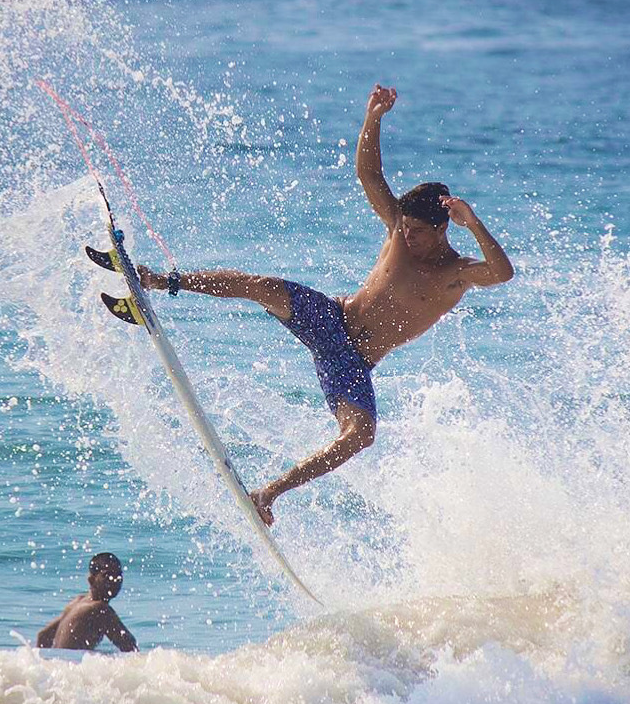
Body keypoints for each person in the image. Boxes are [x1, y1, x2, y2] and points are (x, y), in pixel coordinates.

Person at [138, 84, 514, 525]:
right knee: (260, 285)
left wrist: (473, 221)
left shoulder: (458, 272)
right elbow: (369, 176)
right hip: (331, 317)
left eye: (417, 232)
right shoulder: (397, 229)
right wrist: (373, 116)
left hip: (352, 361)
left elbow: (503, 272)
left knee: (360, 436)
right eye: (405, 228)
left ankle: (269, 493)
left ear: (443, 229)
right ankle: (160, 281)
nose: (406, 237)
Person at [36, 551, 138, 652]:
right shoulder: (100, 610)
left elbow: (43, 636)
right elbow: (129, 646)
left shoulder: (77, 602)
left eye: (118, 575)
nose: (115, 580)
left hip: (61, 664)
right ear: (91, 580)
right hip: (71, 665)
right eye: (107, 576)